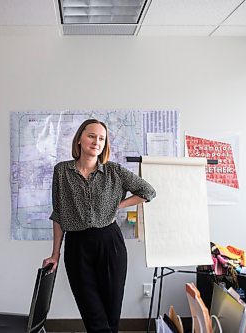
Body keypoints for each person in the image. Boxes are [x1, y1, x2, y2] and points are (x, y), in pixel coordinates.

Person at [42, 119, 156, 333]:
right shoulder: (62, 172)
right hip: (77, 246)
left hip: (110, 243)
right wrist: (55, 254)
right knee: (92, 314)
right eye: (91, 136)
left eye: (101, 138)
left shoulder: (114, 171)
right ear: (79, 139)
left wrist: (117, 204)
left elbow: (148, 192)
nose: (96, 141)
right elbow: (58, 214)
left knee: (111, 315)